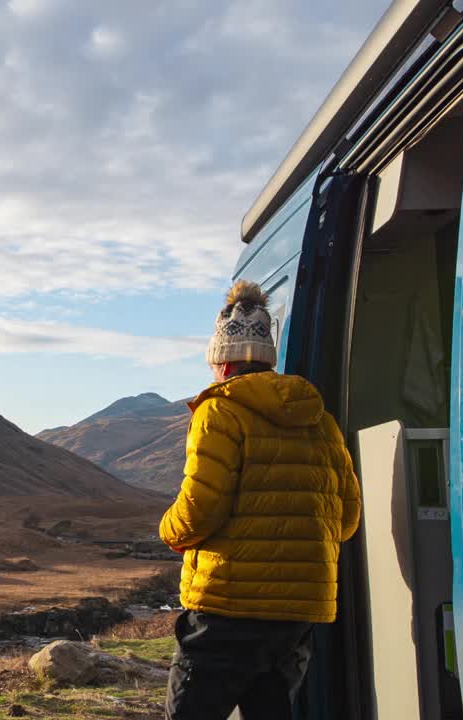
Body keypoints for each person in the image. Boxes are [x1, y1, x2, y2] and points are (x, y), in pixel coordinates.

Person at [160, 280, 362, 720]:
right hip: (296, 614)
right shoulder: (320, 420)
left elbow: (200, 508)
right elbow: (344, 520)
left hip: (228, 605)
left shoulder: (220, 411)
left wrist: (169, 530)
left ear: (222, 363)